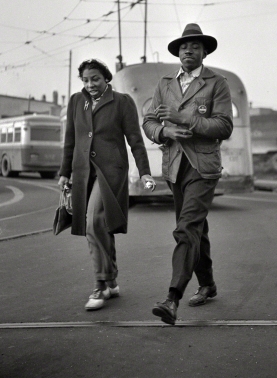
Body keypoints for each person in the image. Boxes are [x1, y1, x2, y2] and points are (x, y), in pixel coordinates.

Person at [143, 23, 233, 325]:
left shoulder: (216, 83)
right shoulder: (165, 83)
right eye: (183, 47)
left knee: (186, 230)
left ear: (204, 51)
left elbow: (224, 126)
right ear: (178, 52)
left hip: (203, 167)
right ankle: (207, 284)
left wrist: (184, 118)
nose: (188, 50)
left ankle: (172, 298)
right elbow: (148, 121)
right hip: (174, 167)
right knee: (196, 229)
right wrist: (163, 131)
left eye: (195, 46)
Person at [58, 59, 156, 311]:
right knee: (100, 224)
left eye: (95, 79)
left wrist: (144, 172)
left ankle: (100, 284)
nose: (90, 84)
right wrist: (64, 172)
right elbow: (70, 139)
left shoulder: (122, 102)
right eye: (86, 80)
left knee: (93, 222)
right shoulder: (76, 102)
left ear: (106, 79)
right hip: (83, 173)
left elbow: (135, 140)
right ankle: (111, 281)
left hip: (111, 172)